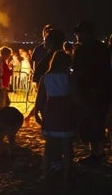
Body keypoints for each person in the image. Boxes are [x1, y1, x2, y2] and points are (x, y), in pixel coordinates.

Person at [71, 21, 112, 166]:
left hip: (88, 92)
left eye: (79, 32)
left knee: (90, 122)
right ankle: (97, 153)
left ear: (87, 33)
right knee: (98, 122)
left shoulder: (81, 50)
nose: (77, 35)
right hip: (102, 91)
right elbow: (107, 72)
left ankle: (95, 154)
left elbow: (78, 71)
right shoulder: (102, 48)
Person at [34, 50, 76, 184]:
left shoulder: (45, 78)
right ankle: (67, 174)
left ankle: (45, 173)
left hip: (51, 110)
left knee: (49, 146)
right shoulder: (69, 77)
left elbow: (40, 98)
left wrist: (36, 113)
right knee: (67, 146)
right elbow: (75, 96)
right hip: (65, 110)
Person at [24, 24, 53, 126]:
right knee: (42, 100)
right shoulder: (39, 49)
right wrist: (36, 81)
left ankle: (30, 117)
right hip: (42, 79)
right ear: (44, 34)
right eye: (48, 32)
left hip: (52, 79)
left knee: (44, 101)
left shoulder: (56, 49)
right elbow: (34, 66)